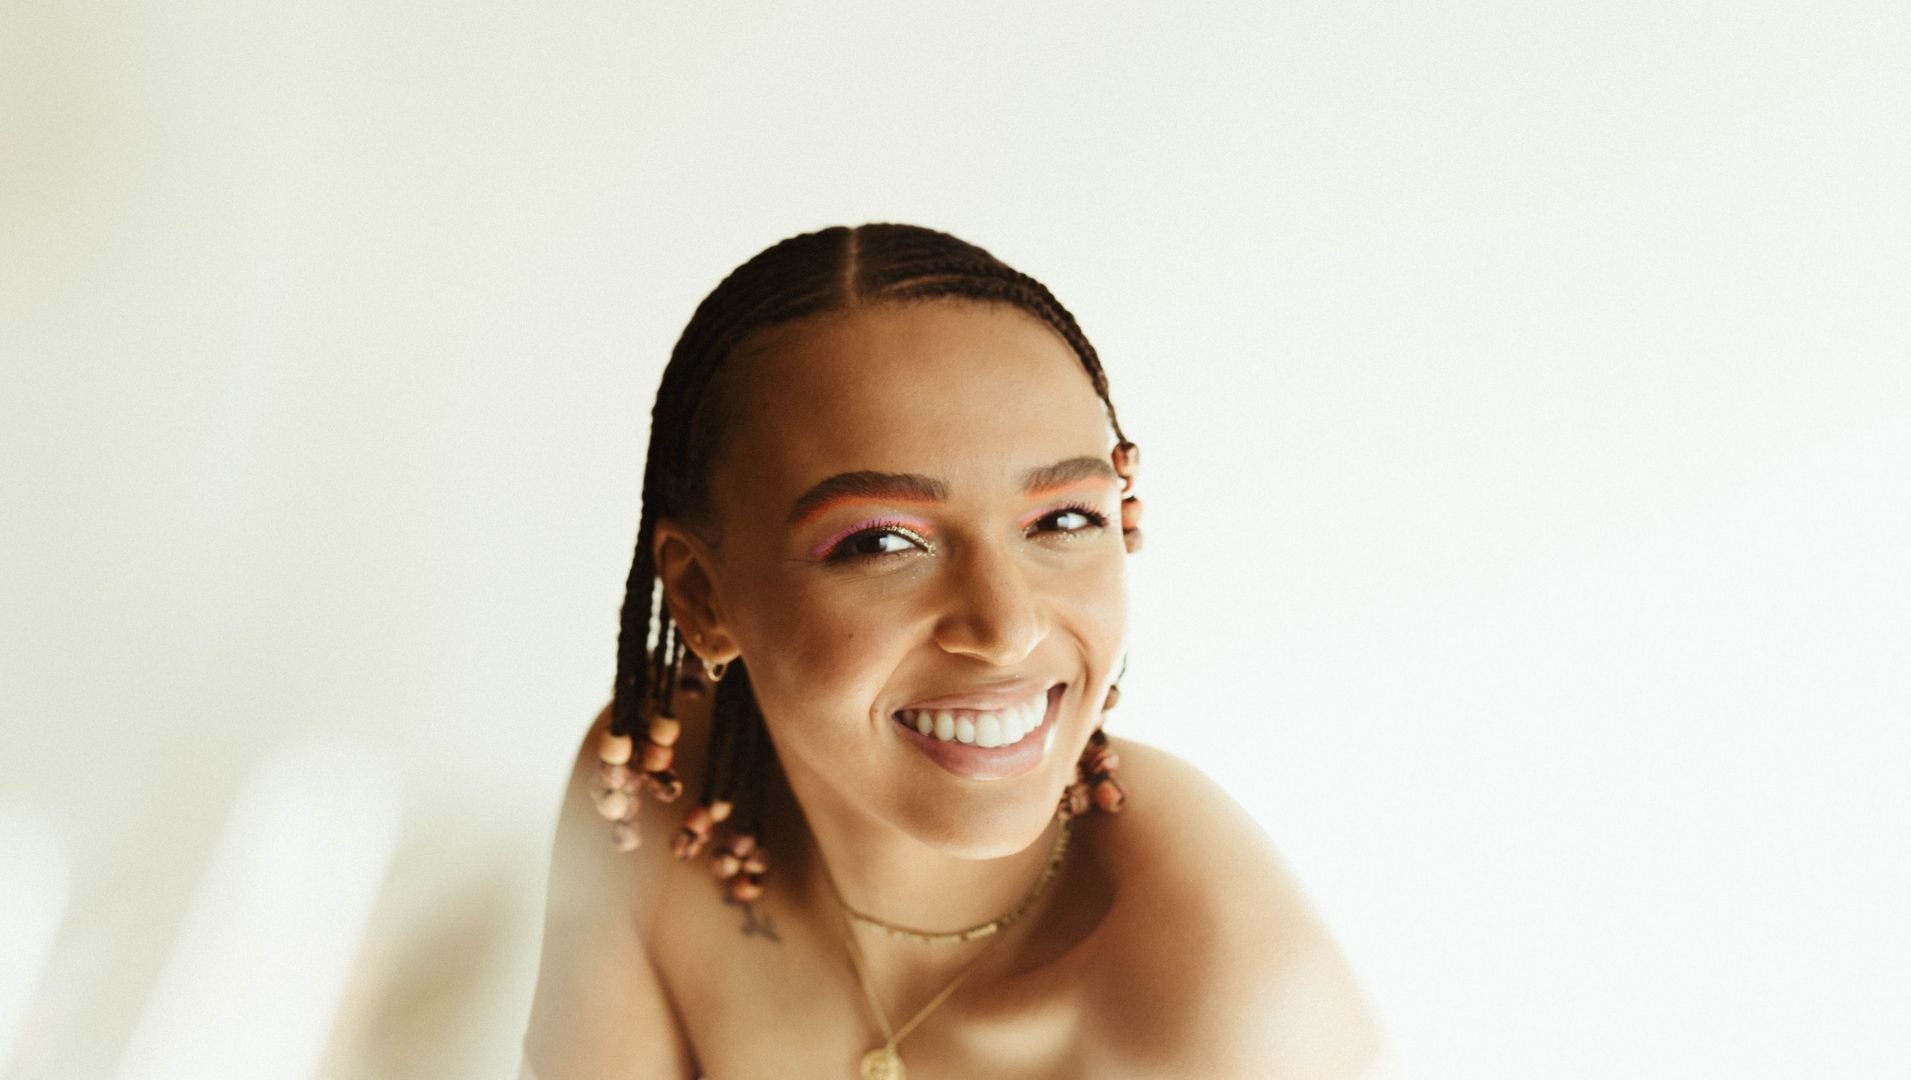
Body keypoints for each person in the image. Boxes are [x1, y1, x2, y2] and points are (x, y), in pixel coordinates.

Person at [524, 224, 1384, 1078]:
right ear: (703, 598)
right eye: (881, 543)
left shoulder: (1236, 1006)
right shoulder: (660, 789)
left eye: (1063, 519)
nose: (1007, 628)